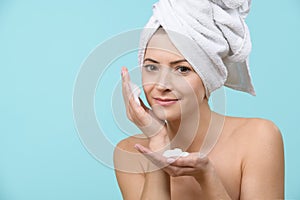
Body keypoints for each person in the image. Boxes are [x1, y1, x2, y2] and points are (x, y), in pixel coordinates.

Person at [114, 0, 284, 199]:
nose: (161, 85)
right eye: (152, 67)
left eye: (182, 69)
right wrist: (158, 141)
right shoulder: (130, 153)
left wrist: (208, 177)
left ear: (207, 78)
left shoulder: (258, 138)